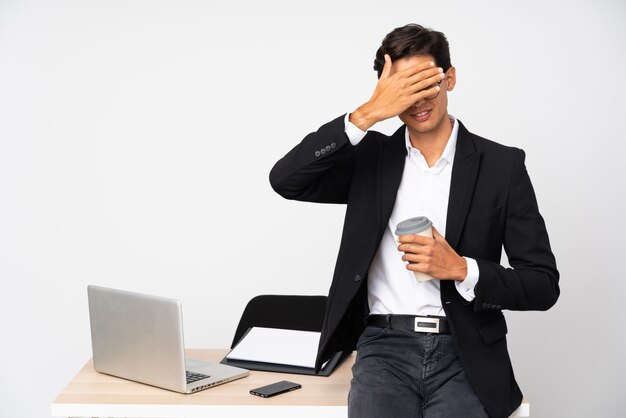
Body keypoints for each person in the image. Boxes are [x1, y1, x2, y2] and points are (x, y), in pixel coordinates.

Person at [269, 23, 559, 418]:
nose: (417, 100)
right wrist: (368, 112)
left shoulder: (502, 167)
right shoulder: (369, 159)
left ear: (450, 78)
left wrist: (461, 269)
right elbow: (285, 179)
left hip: (466, 348)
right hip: (384, 347)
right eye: (403, 89)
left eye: (426, 84)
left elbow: (543, 285)